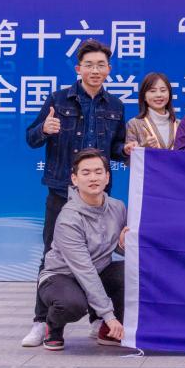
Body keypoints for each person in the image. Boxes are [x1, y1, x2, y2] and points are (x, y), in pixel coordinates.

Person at [22, 40, 127, 347]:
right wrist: (45, 129)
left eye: (101, 65)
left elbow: (116, 148)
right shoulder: (58, 99)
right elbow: (31, 138)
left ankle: (98, 321)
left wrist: (127, 149)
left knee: (102, 254)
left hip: (98, 196)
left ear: (109, 69)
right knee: (51, 255)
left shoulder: (116, 106)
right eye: (89, 65)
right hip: (61, 190)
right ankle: (42, 322)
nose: (95, 70)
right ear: (79, 69)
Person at [37, 149, 129, 351]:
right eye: (86, 173)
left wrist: (124, 244)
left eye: (98, 172)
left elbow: (115, 247)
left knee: (131, 272)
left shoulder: (118, 207)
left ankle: (107, 331)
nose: (93, 178)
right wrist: (109, 315)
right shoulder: (69, 219)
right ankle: (53, 326)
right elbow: (84, 269)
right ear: (75, 179)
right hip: (62, 276)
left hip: (98, 270)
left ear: (107, 177)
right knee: (72, 304)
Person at [125, 72, 178, 154]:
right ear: (144, 96)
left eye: (163, 90)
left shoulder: (179, 124)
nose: (159, 95)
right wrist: (143, 147)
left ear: (169, 94)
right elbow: (129, 157)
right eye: (152, 91)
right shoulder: (134, 124)